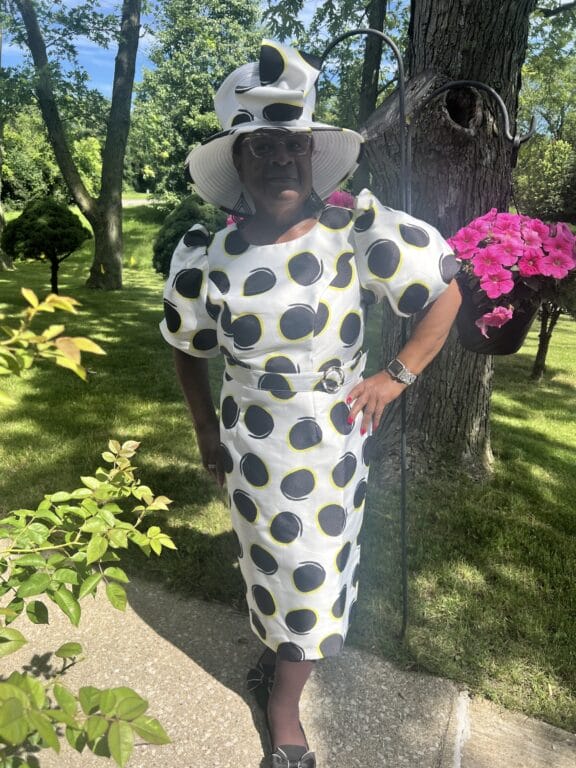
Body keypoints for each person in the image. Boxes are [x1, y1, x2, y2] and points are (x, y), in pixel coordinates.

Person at [160, 40, 461, 768]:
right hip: (249, 445)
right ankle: (278, 658)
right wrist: (205, 429)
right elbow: (184, 343)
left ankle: (283, 702)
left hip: (329, 442)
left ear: (311, 154)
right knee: (268, 565)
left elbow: (444, 289)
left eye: (291, 147)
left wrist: (396, 375)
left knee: (314, 575)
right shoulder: (210, 256)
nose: (278, 162)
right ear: (239, 162)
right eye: (261, 148)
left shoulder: (354, 230)